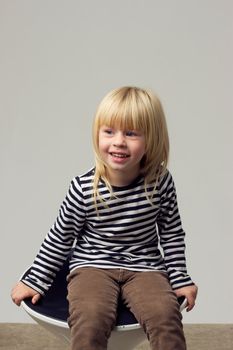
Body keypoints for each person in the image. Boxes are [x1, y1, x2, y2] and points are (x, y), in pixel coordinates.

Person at [11, 86, 198, 350]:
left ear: (151, 138)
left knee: (165, 317)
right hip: (92, 266)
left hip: (144, 266)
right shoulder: (84, 187)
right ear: (97, 134)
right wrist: (35, 279)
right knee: (89, 319)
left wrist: (180, 277)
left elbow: (171, 232)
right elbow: (61, 236)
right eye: (109, 131)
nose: (119, 141)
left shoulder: (160, 182)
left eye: (131, 133)